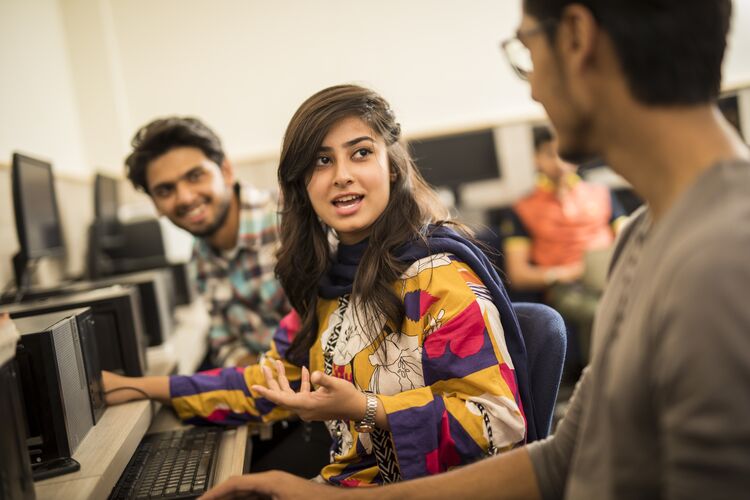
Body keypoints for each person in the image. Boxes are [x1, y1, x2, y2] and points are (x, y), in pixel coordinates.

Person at [197, 0, 750, 498]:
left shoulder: (723, 258)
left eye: (526, 50)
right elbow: (564, 458)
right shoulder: (644, 235)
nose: (531, 86)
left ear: (577, 38)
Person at [105, 84, 535, 486]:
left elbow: (498, 421)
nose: (342, 175)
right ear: (302, 185)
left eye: (361, 153)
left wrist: (365, 408)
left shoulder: (437, 278)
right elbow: (265, 381)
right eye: (321, 161)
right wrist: (143, 387)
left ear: (391, 167)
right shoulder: (327, 286)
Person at [124, 117, 289, 367]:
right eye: (165, 191)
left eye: (195, 176)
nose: (185, 197)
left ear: (226, 172)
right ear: (155, 205)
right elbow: (225, 342)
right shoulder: (199, 260)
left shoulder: (290, 221)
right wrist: (259, 377)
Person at [503, 125, 625, 369]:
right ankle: (603, 378)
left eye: (564, 153)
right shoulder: (523, 209)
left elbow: (629, 238)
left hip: (613, 276)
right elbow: (518, 274)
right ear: (536, 158)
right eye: (549, 153)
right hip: (568, 287)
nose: (559, 161)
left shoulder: (601, 194)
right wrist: (566, 273)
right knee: (602, 312)